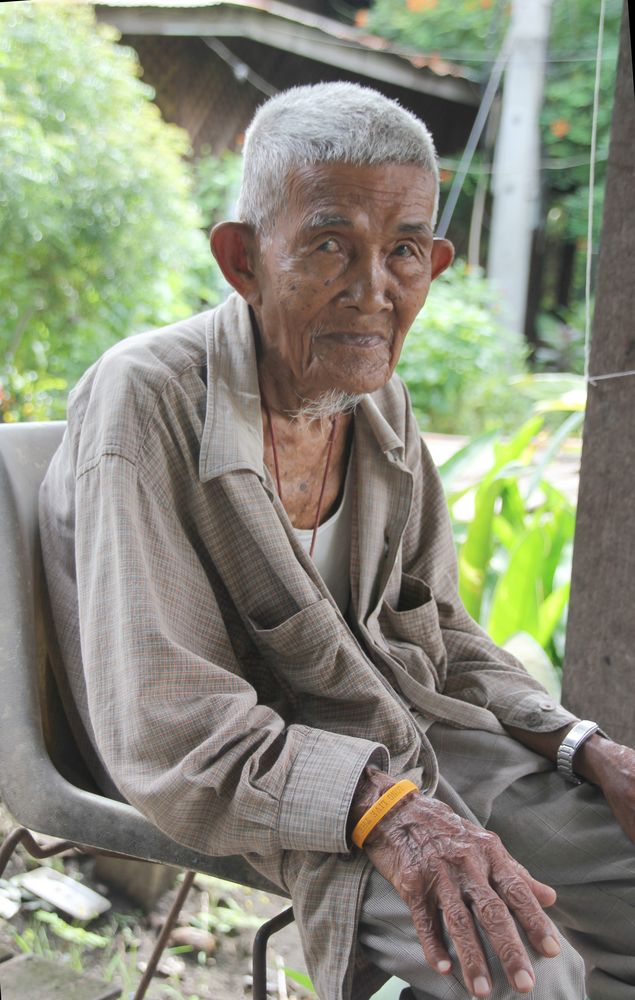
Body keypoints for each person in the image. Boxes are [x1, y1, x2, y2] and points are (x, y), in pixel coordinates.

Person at [39, 83, 635, 1000]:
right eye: (328, 245)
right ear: (243, 258)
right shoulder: (147, 398)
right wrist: (387, 812)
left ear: (433, 264)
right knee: (524, 976)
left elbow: (437, 631)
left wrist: (578, 743)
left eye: (403, 251)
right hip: (256, 777)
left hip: (405, 732)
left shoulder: (376, 403)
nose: (373, 290)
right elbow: (168, 717)